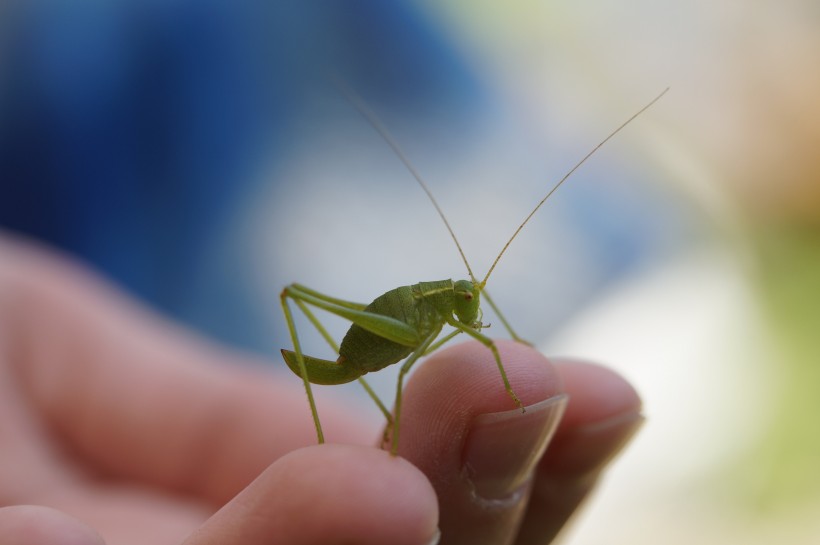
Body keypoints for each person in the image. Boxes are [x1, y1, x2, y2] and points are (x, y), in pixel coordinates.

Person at [0, 2, 643, 543]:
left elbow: (474, 338)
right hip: (355, 334)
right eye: (471, 301)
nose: (476, 311)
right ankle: (321, 445)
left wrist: (510, 353)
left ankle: (337, 447)